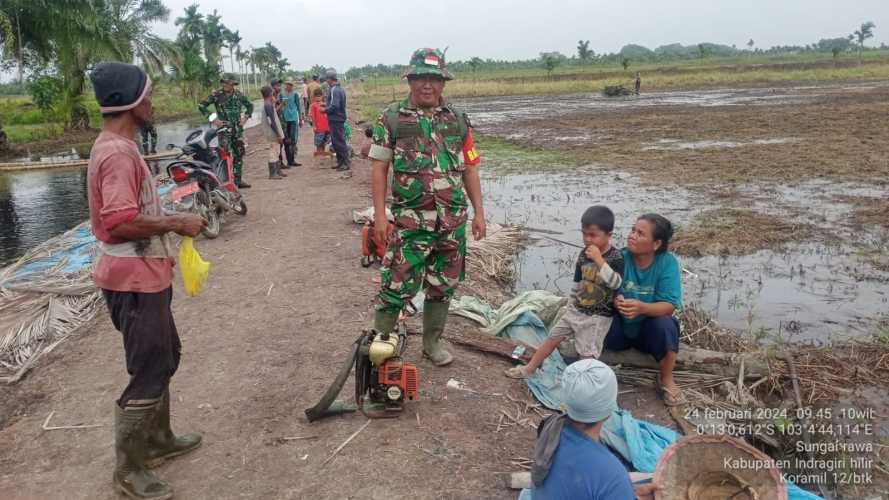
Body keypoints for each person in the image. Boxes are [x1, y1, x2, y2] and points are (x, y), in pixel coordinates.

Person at [87, 61, 207, 499]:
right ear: (131, 102)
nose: (153, 102)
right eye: (149, 94)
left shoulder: (119, 146)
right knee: (150, 367)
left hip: (145, 275)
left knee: (166, 355)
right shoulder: (117, 153)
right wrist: (175, 221)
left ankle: (158, 439)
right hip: (132, 278)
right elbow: (117, 220)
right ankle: (128, 470)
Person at [368, 47, 486, 366]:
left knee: (443, 285)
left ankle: (432, 344)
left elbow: (470, 169)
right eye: (421, 78)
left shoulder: (458, 121)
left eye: (434, 79)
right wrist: (380, 215)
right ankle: (383, 345)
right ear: (411, 80)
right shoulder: (392, 118)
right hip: (410, 223)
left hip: (452, 223)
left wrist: (479, 214)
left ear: (443, 83)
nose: (427, 85)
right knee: (397, 284)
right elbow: (379, 168)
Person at [505, 206, 623, 379]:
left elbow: (616, 283)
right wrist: (571, 305)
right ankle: (529, 369)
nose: (587, 239)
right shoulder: (584, 254)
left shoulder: (616, 257)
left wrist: (599, 260)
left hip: (598, 317)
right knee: (552, 338)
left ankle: (586, 385)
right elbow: (577, 281)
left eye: (593, 235)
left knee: (587, 354)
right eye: (584, 234)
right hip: (576, 310)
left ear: (609, 235)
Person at [530, 359, 658, 500]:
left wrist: (628, 493)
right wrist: (620, 490)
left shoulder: (551, 427)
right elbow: (599, 479)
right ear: (609, 409)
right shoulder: (610, 473)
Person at [604, 213, 684, 406]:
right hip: (620, 328)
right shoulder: (619, 258)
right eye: (633, 230)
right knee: (600, 315)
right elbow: (605, 291)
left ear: (656, 244)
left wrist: (642, 308)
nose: (632, 235)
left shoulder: (667, 262)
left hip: (648, 331)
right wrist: (615, 300)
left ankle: (666, 378)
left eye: (640, 233)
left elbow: (669, 305)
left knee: (667, 323)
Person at [199, 73, 253, 188]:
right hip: (224, 131)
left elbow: (250, 106)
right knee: (224, 156)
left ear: (233, 84)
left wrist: (245, 118)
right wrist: (214, 119)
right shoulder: (216, 95)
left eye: (229, 83)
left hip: (237, 131)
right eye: (225, 83)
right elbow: (202, 106)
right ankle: (225, 182)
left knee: (239, 155)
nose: (227, 85)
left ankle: (238, 181)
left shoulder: (239, 95)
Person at [324, 68, 351, 175]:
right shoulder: (339, 89)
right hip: (338, 118)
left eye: (327, 79)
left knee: (339, 141)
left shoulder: (334, 89)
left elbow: (334, 106)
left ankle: (345, 163)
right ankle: (341, 162)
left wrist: (325, 110)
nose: (326, 81)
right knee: (336, 141)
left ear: (330, 79)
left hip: (336, 119)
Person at [261, 85, 286, 180]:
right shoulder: (268, 105)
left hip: (273, 132)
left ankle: (277, 171)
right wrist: (278, 134)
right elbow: (271, 122)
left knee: (277, 150)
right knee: (273, 151)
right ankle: (273, 173)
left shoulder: (268, 104)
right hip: (272, 133)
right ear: (270, 93)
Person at [279, 77, 304, 167]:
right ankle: (286, 161)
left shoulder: (295, 94)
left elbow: (298, 107)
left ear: (292, 86)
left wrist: (301, 119)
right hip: (284, 119)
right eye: (287, 84)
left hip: (293, 119)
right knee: (286, 140)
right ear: (285, 85)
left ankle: (292, 160)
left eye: (291, 85)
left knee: (293, 140)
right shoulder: (281, 94)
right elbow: (278, 106)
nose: (289, 86)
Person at [308, 88, 331, 158]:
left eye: (319, 96)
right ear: (314, 97)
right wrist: (314, 126)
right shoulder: (313, 105)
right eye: (316, 96)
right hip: (319, 127)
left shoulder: (326, 104)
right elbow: (313, 117)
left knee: (324, 142)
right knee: (318, 142)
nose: (318, 97)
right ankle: (318, 156)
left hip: (326, 127)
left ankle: (322, 155)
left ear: (322, 96)